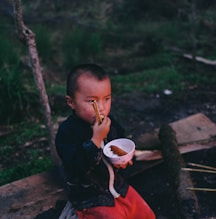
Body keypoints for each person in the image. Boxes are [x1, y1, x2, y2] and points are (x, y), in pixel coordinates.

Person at [55, 63, 156, 219]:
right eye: (92, 102)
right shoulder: (68, 133)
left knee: (146, 215)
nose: (101, 108)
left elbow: (116, 146)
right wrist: (96, 139)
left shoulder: (110, 123)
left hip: (117, 185)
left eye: (107, 99)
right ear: (71, 102)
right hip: (90, 195)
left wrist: (122, 161)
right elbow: (77, 169)